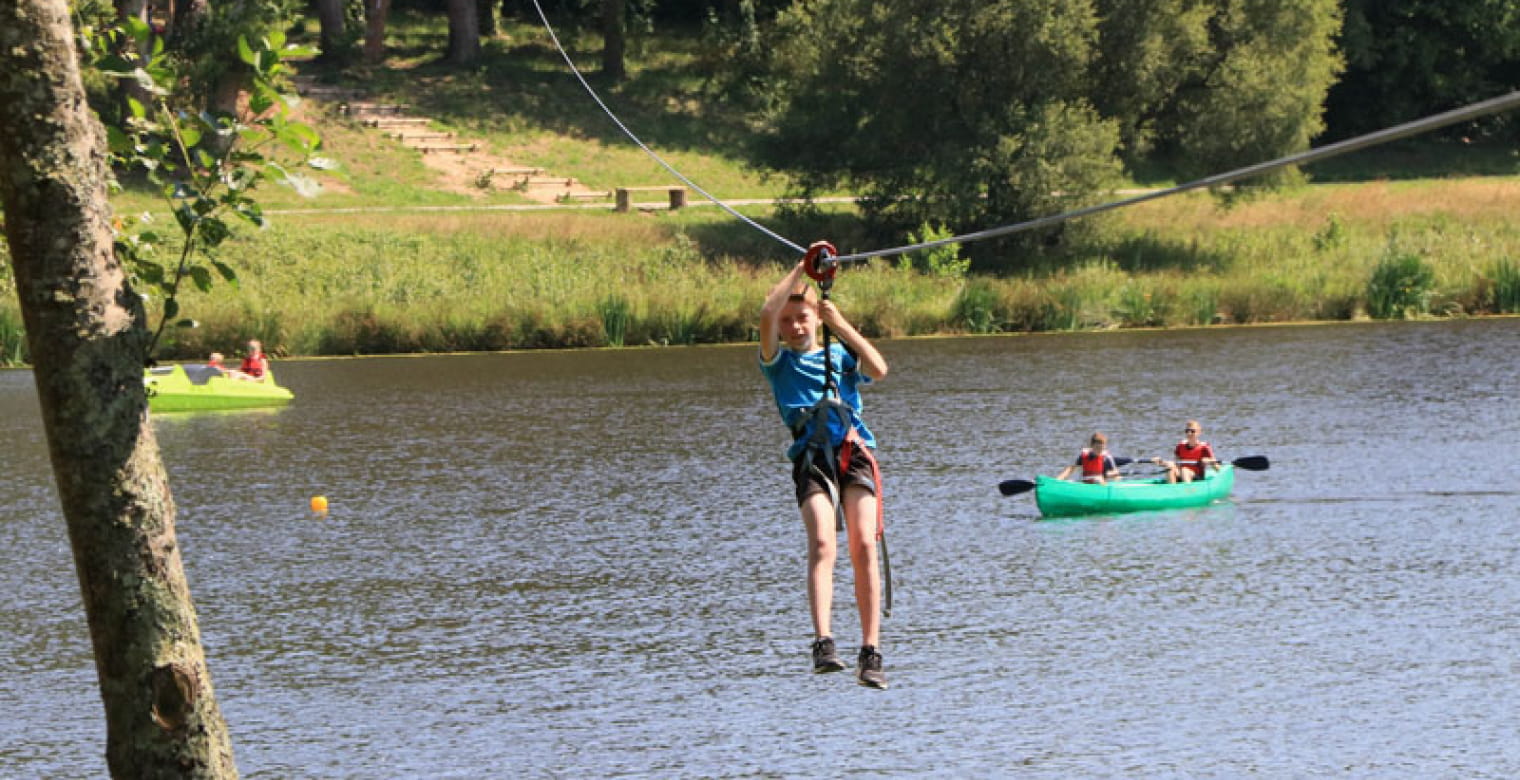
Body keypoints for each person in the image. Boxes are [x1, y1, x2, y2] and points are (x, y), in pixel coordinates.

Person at [759, 258, 890, 689]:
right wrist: (801, 268)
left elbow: (878, 368)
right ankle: (823, 641)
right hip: (812, 459)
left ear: (816, 318)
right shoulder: (778, 362)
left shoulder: (837, 352)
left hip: (853, 453)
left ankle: (870, 652)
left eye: (803, 318)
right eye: (788, 321)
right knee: (821, 541)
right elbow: (766, 312)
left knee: (863, 546)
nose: (796, 327)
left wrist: (841, 323)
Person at [1154, 420, 1219, 483]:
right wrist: (1161, 462)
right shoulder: (1180, 446)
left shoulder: (1204, 447)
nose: (1189, 433)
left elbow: (1217, 468)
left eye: (1192, 431)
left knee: (1185, 470)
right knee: (1170, 467)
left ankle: (1188, 491)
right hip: (1182, 474)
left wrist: (1209, 461)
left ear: (1199, 432)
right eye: (1187, 431)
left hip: (1197, 477)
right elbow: (1176, 463)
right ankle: (1172, 489)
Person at [1056, 432, 1122, 484]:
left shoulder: (1106, 457)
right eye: (1097, 448)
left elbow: (1116, 474)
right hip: (1085, 483)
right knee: (1069, 481)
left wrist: (1107, 475)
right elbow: (1071, 469)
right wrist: (1057, 480)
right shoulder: (1084, 455)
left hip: (1100, 485)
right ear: (1092, 445)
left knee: (1099, 480)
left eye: (1102, 448)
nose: (1099, 451)